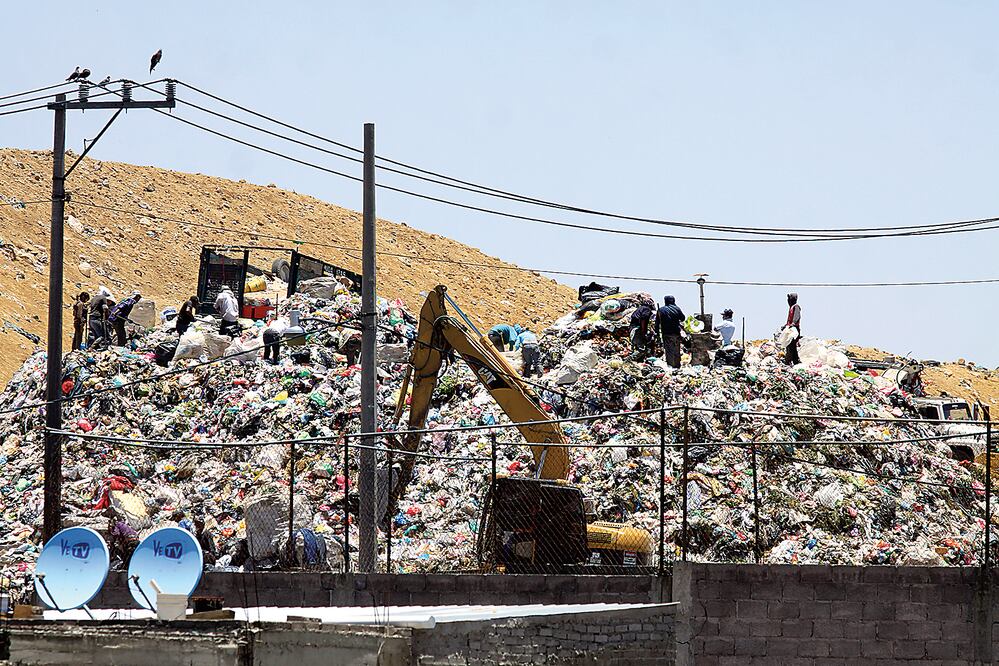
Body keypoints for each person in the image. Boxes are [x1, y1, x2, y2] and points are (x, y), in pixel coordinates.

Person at [655, 295, 685, 369]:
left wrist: (658, 335)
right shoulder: (677, 309)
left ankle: (671, 367)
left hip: (667, 333)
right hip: (676, 333)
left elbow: (657, 324)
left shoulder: (661, 310)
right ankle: (677, 366)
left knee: (669, 351)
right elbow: (683, 318)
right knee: (676, 350)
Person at [783, 293, 802, 365]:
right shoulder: (791, 308)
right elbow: (789, 320)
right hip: (790, 329)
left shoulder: (796, 307)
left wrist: (793, 323)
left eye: (789, 299)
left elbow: (797, 316)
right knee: (791, 346)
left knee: (791, 346)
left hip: (794, 330)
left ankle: (789, 361)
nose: (788, 301)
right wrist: (786, 325)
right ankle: (795, 361)